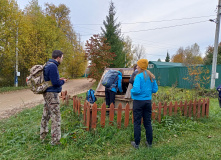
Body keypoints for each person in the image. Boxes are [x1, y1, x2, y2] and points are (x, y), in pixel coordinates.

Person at [40, 50, 67, 145]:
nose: (62, 59)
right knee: (56, 117)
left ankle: (42, 136)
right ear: (58, 57)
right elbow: (55, 83)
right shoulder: (53, 66)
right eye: (62, 58)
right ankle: (55, 141)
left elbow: (51, 80)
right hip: (52, 95)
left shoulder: (48, 64)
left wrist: (59, 79)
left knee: (46, 115)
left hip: (48, 94)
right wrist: (63, 82)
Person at [130, 59, 158, 149]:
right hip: (148, 102)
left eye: (137, 65)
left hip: (138, 102)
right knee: (147, 122)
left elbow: (136, 90)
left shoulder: (138, 77)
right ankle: (149, 143)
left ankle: (137, 144)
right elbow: (154, 89)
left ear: (140, 67)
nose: (136, 67)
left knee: (137, 123)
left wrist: (131, 91)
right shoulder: (151, 76)